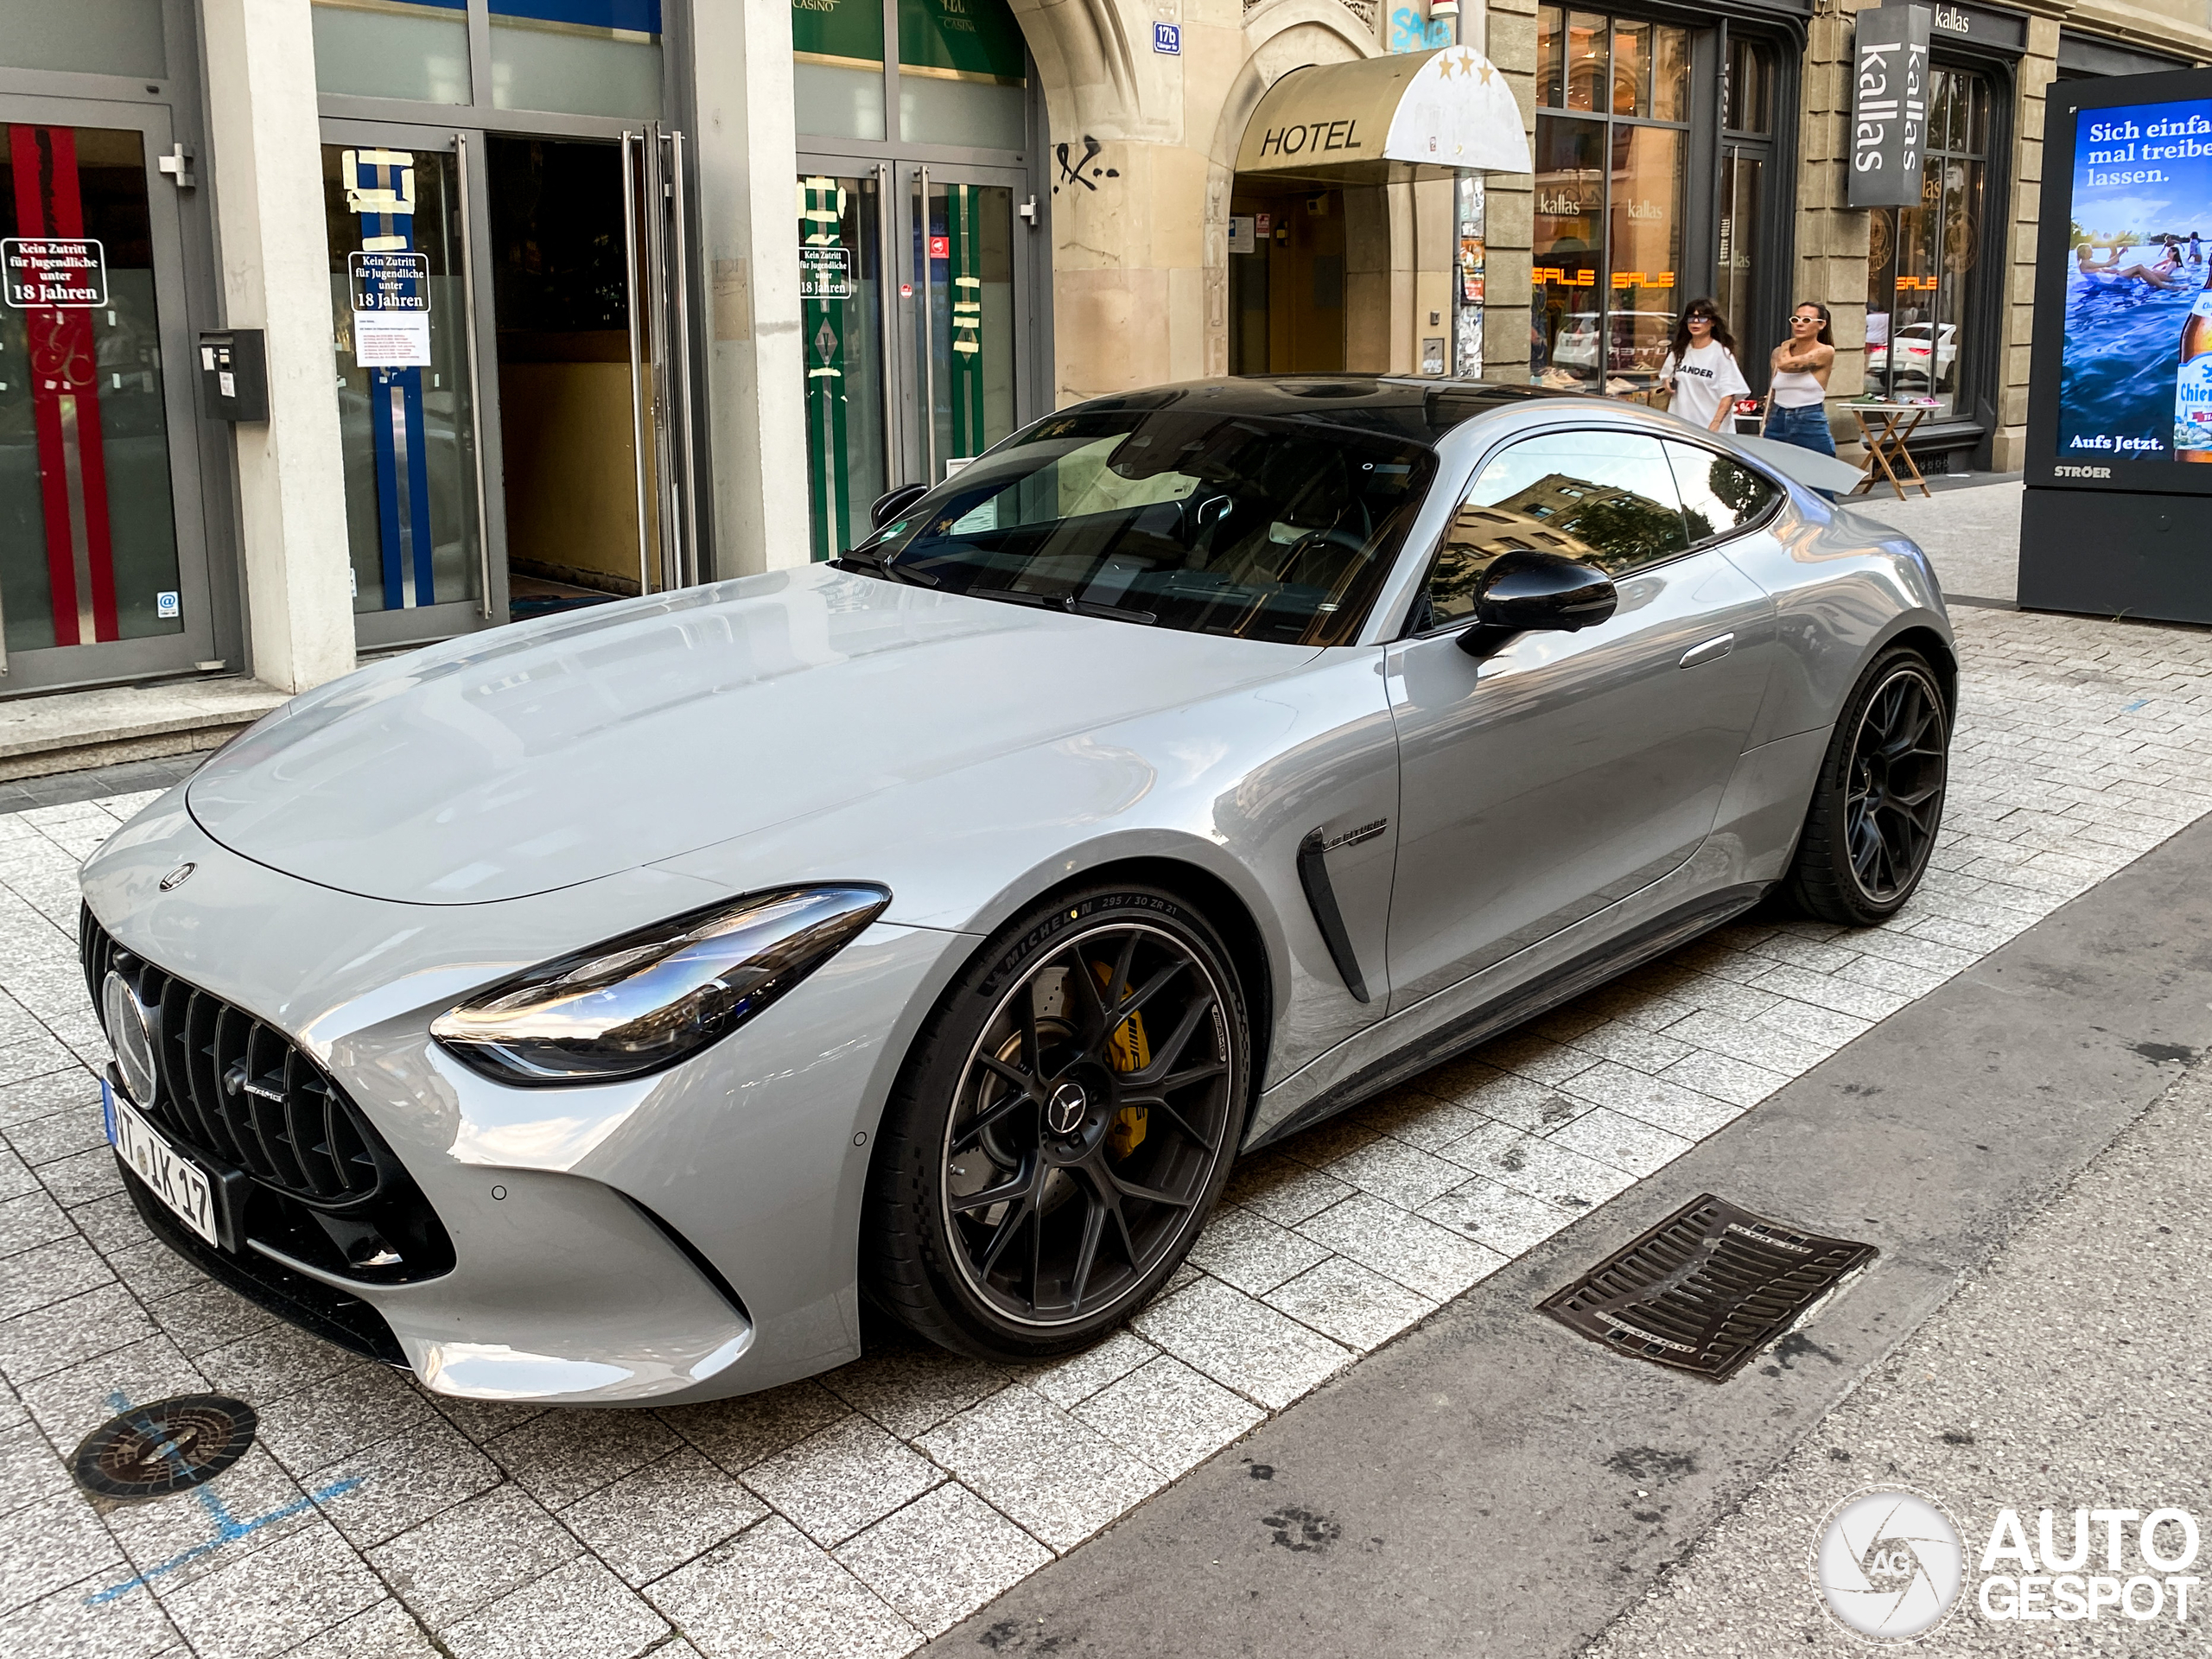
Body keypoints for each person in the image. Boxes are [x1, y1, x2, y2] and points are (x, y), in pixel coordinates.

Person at [1659, 299, 1749, 434]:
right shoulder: (1680, 351)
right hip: (1681, 428)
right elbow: (1666, 376)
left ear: (1712, 322)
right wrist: (1667, 383)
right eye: (1691, 318)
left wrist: (1715, 425)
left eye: (1702, 318)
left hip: (1710, 431)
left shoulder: (1721, 354)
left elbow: (1729, 394)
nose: (1695, 322)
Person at [1765, 302, 1837, 457]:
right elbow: (1773, 391)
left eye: (1806, 320)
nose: (1799, 324)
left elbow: (1785, 365)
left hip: (1808, 417)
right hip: (1778, 416)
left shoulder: (1825, 351)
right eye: (1795, 319)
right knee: (1773, 468)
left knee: (1820, 468)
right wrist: (1766, 420)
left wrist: (1785, 345)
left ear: (1821, 324)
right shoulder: (1778, 352)